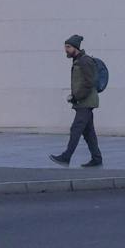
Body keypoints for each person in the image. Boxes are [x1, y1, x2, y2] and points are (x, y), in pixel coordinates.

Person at [50, 35, 103, 167]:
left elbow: (89, 82)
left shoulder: (84, 61)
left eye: (68, 47)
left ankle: (66, 157)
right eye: (65, 47)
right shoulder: (78, 60)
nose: (66, 50)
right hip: (83, 101)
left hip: (85, 102)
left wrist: (77, 97)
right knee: (88, 132)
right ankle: (97, 158)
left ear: (76, 47)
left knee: (76, 129)